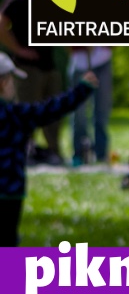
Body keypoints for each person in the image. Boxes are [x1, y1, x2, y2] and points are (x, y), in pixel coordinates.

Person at [0, 52, 95, 246]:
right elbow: (50, 109)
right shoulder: (14, 115)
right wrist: (82, 90)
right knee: (7, 242)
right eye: (11, 80)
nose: (13, 86)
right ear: (2, 83)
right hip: (9, 192)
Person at [0, 0, 67, 166]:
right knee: (27, 112)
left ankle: (54, 152)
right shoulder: (17, 0)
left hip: (49, 65)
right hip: (26, 68)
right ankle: (26, 153)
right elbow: (1, 26)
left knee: (53, 112)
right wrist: (19, 50)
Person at [68, 45, 113, 166]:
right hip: (80, 64)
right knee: (79, 113)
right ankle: (79, 152)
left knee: (102, 111)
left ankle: (101, 152)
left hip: (103, 60)